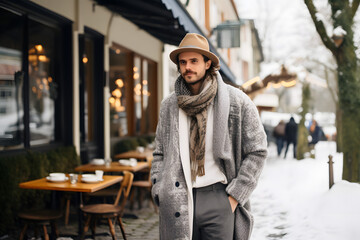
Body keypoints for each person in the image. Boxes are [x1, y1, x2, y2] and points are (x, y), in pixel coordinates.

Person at [150, 33, 268, 240]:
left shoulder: (237, 101)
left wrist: (235, 196)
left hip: (220, 198)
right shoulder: (169, 105)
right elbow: (159, 151)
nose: (188, 67)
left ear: (207, 63)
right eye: (183, 62)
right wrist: (159, 187)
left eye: (194, 61)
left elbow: (257, 150)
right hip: (178, 197)